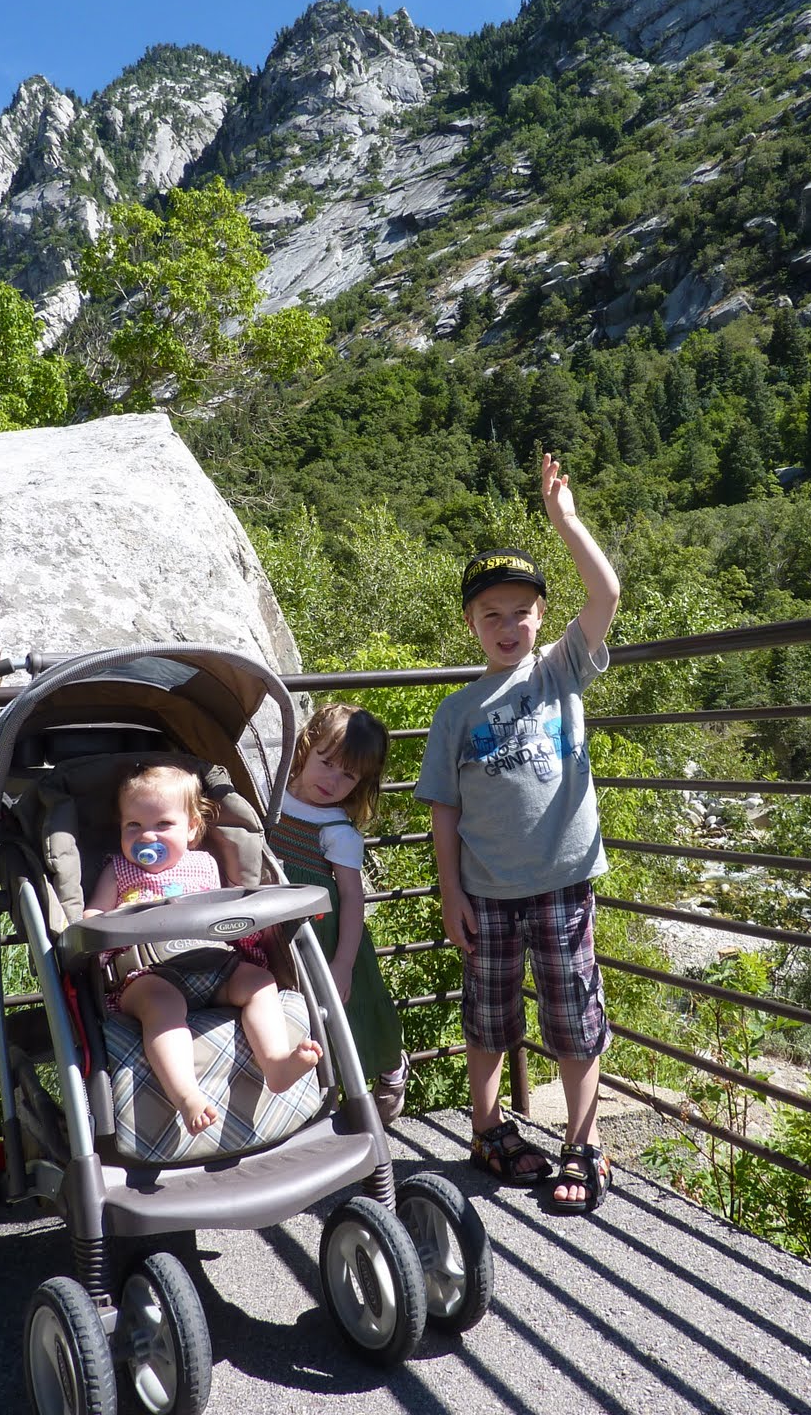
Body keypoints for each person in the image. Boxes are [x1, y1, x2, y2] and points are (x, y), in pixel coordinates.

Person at [414, 453, 620, 1216]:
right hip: (488, 894)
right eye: (491, 615)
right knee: (489, 1016)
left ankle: (583, 1142)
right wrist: (450, 895)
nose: (508, 626)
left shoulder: (560, 671)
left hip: (563, 886)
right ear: (471, 624)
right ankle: (488, 1129)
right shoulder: (455, 712)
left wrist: (566, 521)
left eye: (521, 612)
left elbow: (606, 593)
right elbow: (443, 808)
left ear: (540, 617)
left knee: (574, 1018)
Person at [84, 762, 322, 1135]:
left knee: (259, 982)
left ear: (193, 828)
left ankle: (276, 1063)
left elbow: (229, 910)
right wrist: (97, 926)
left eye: (163, 824)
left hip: (213, 964)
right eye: (134, 825)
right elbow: (93, 917)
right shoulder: (118, 871)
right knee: (163, 1008)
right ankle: (186, 1096)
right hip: (148, 975)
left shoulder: (206, 864)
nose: (147, 836)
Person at [268, 704, 410, 1125]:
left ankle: (390, 1067)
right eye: (326, 763)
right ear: (306, 747)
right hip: (274, 931)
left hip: (327, 939)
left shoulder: (335, 829)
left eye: (347, 776)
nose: (331, 781)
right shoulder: (269, 798)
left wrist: (344, 963)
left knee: (351, 1009)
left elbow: (351, 897)